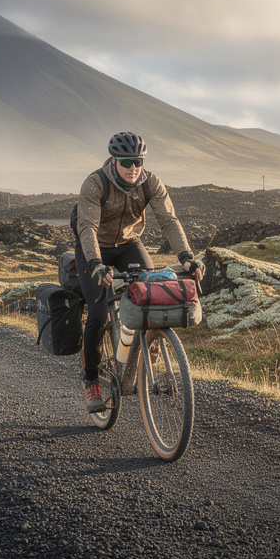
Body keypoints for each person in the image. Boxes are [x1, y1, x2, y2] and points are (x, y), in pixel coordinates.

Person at [73, 131, 203, 413]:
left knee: (154, 293)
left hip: (129, 243)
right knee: (98, 313)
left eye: (139, 162)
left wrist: (187, 258)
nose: (134, 168)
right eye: (128, 161)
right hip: (94, 247)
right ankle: (91, 379)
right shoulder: (95, 183)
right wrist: (96, 264)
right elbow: (87, 228)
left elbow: (169, 220)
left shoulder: (150, 182)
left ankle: (147, 345)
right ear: (115, 159)